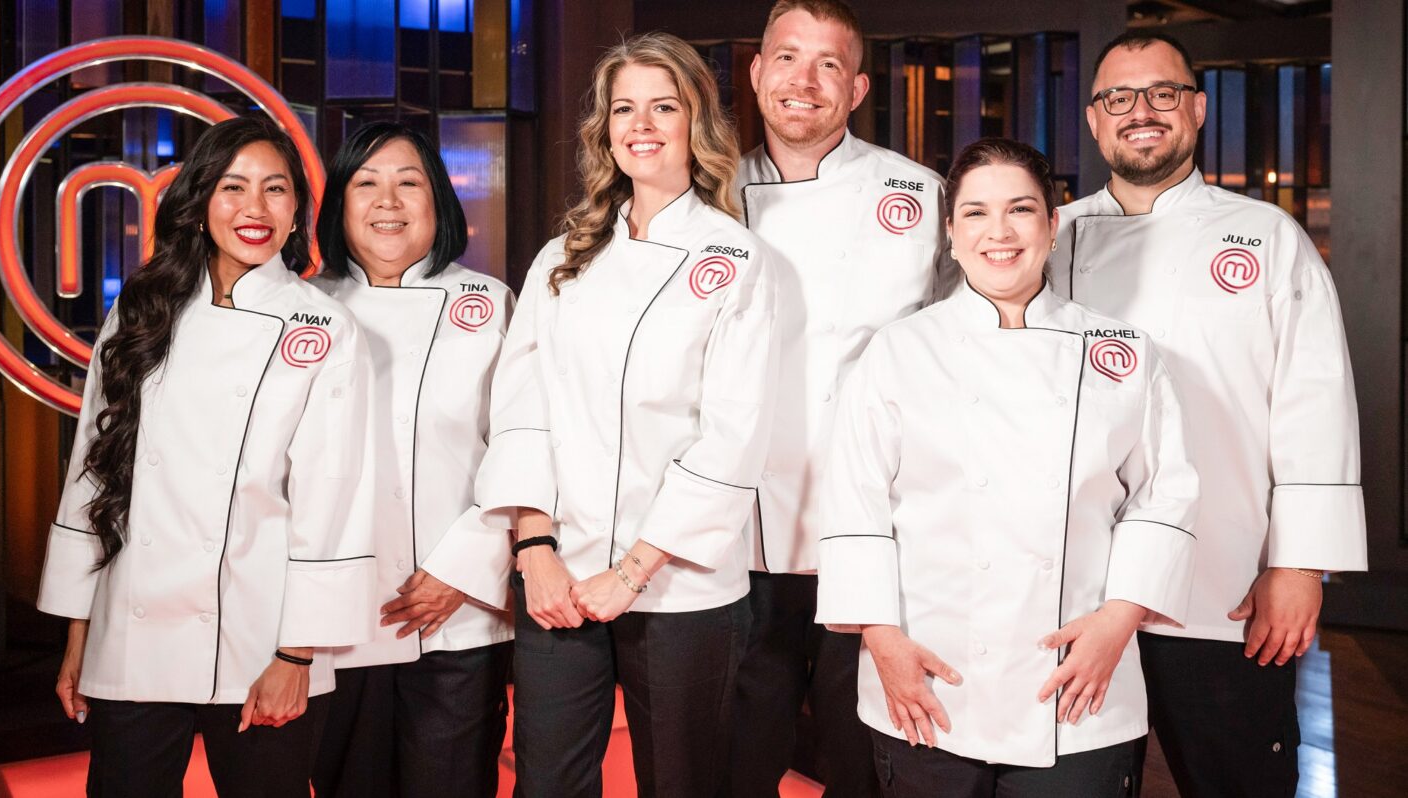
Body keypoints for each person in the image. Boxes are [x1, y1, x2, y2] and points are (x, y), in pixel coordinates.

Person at [816, 137, 1198, 796]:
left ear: (1052, 227)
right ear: (950, 234)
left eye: (1021, 210)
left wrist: (1118, 622)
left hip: (1078, 684)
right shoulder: (898, 352)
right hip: (926, 676)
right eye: (975, 213)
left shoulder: (1124, 351)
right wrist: (882, 641)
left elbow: (1164, 494)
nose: (999, 232)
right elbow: (855, 500)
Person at [1049, 31, 1368, 797]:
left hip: (1221, 584)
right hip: (1079, 590)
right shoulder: (1048, 239)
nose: (1141, 112)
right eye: (1118, 98)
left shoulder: (1266, 238)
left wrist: (1296, 564)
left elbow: (1313, 403)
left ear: (1194, 109)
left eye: (1162, 94)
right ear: (1095, 121)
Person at [473, 31, 778, 798]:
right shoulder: (563, 256)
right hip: (559, 577)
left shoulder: (735, 259)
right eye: (624, 109)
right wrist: (533, 547)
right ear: (605, 130)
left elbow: (732, 437)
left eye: (663, 107)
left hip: (678, 588)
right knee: (547, 783)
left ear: (696, 124)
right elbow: (521, 408)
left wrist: (632, 571)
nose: (641, 125)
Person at [38, 116, 376, 797]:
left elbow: (333, 498)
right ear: (200, 202)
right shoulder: (143, 305)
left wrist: (296, 653)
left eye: (275, 189)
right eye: (234, 187)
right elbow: (95, 470)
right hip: (133, 630)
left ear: (296, 211)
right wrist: (82, 630)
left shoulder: (325, 325)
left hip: (262, 634)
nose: (255, 208)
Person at [729, 2, 949, 794]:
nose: (804, 81)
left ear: (856, 89)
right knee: (738, 758)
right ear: (756, 73)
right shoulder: (701, 195)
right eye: (786, 58)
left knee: (863, 763)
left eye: (828, 65)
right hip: (730, 540)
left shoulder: (919, 194)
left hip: (873, 532)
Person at [309, 122, 515, 798]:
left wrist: (462, 571)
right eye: (365, 183)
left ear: (441, 202)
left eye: (408, 182)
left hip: (457, 619)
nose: (387, 201)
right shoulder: (305, 311)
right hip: (339, 619)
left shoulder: (488, 305)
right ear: (338, 204)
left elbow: (521, 449)